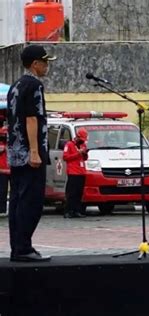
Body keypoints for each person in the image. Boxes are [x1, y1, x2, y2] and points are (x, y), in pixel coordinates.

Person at [7, 45, 56, 262]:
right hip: (29, 153)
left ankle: (17, 247)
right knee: (31, 201)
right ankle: (24, 247)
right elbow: (32, 118)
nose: (47, 66)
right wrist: (35, 151)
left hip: (15, 152)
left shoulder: (15, 85)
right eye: (44, 62)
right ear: (35, 64)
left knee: (17, 200)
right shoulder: (35, 85)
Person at [63, 128, 89, 218]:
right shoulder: (69, 144)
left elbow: (85, 158)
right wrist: (78, 153)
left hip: (81, 172)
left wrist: (85, 153)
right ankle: (68, 211)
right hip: (73, 172)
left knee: (79, 193)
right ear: (77, 137)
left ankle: (77, 210)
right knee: (71, 193)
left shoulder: (83, 145)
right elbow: (65, 157)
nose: (83, 141)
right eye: (81, 139)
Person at [0, 125, 9, 215]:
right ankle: (2, 209)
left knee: (16, 190)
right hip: (2, 169)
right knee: (2, 190)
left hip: (12, 169)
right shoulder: (1, 144)